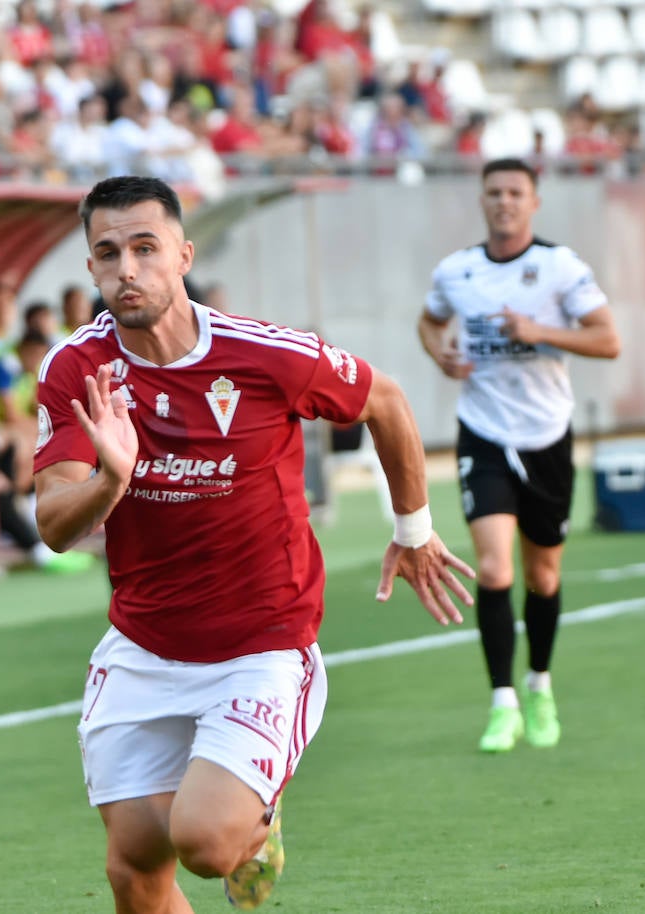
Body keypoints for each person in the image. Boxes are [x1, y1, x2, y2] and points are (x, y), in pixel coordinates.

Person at [33, 176, 475, 912]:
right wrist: (112, 481)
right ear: (90, 270)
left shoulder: (262, 355)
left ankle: (257, 825)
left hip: (262, 647)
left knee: (204, 843)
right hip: (143, 646)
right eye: (108, 253)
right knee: (133, 867)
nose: (127, 269)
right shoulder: (77, 370)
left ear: (182, 255)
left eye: (146, 248)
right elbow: (54, 524)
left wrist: (414, 530)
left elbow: (385, 401)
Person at [418, 158, 621, 754]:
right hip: (483, 432)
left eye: (515, 192)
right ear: (482, 201)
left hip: (547, 436)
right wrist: (440, 355)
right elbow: (428, 323)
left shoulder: (559, 268)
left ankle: (541, 684)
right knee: (495, 569)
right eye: (494, 192)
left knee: (543, 574)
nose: (504, 202)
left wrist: (541, 332)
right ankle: (502, 701)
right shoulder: (457, 272)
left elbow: (608, 340)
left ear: (534, 202)